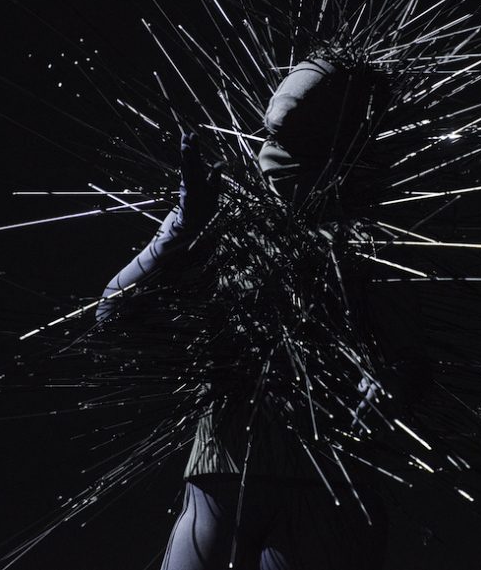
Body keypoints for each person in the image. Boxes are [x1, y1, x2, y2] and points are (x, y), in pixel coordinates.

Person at [97, 57, 428, 570]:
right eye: (273, 137)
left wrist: (389, 381)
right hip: (225, 480)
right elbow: (111, 316)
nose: (272, 156)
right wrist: (181, 227)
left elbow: (409, 358)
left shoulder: (367, 247)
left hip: (323, 485)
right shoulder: (222, 221)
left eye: (296, 142)